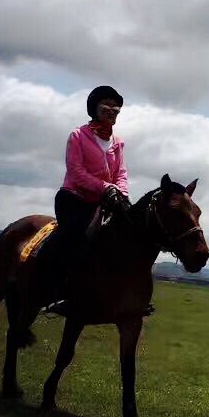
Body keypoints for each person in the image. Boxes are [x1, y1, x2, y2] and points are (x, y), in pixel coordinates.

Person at [54, 85, 130, 277]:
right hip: (74, 198)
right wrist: (106, 187)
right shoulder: (78, 136)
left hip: (105, 201)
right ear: (94, 109)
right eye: (106, 106)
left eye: (115, 108)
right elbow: (76, 172)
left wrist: (121, 192)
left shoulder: (118, 142)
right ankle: (56, 284)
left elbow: (121, 172)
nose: (111, 111)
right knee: (74, 239)